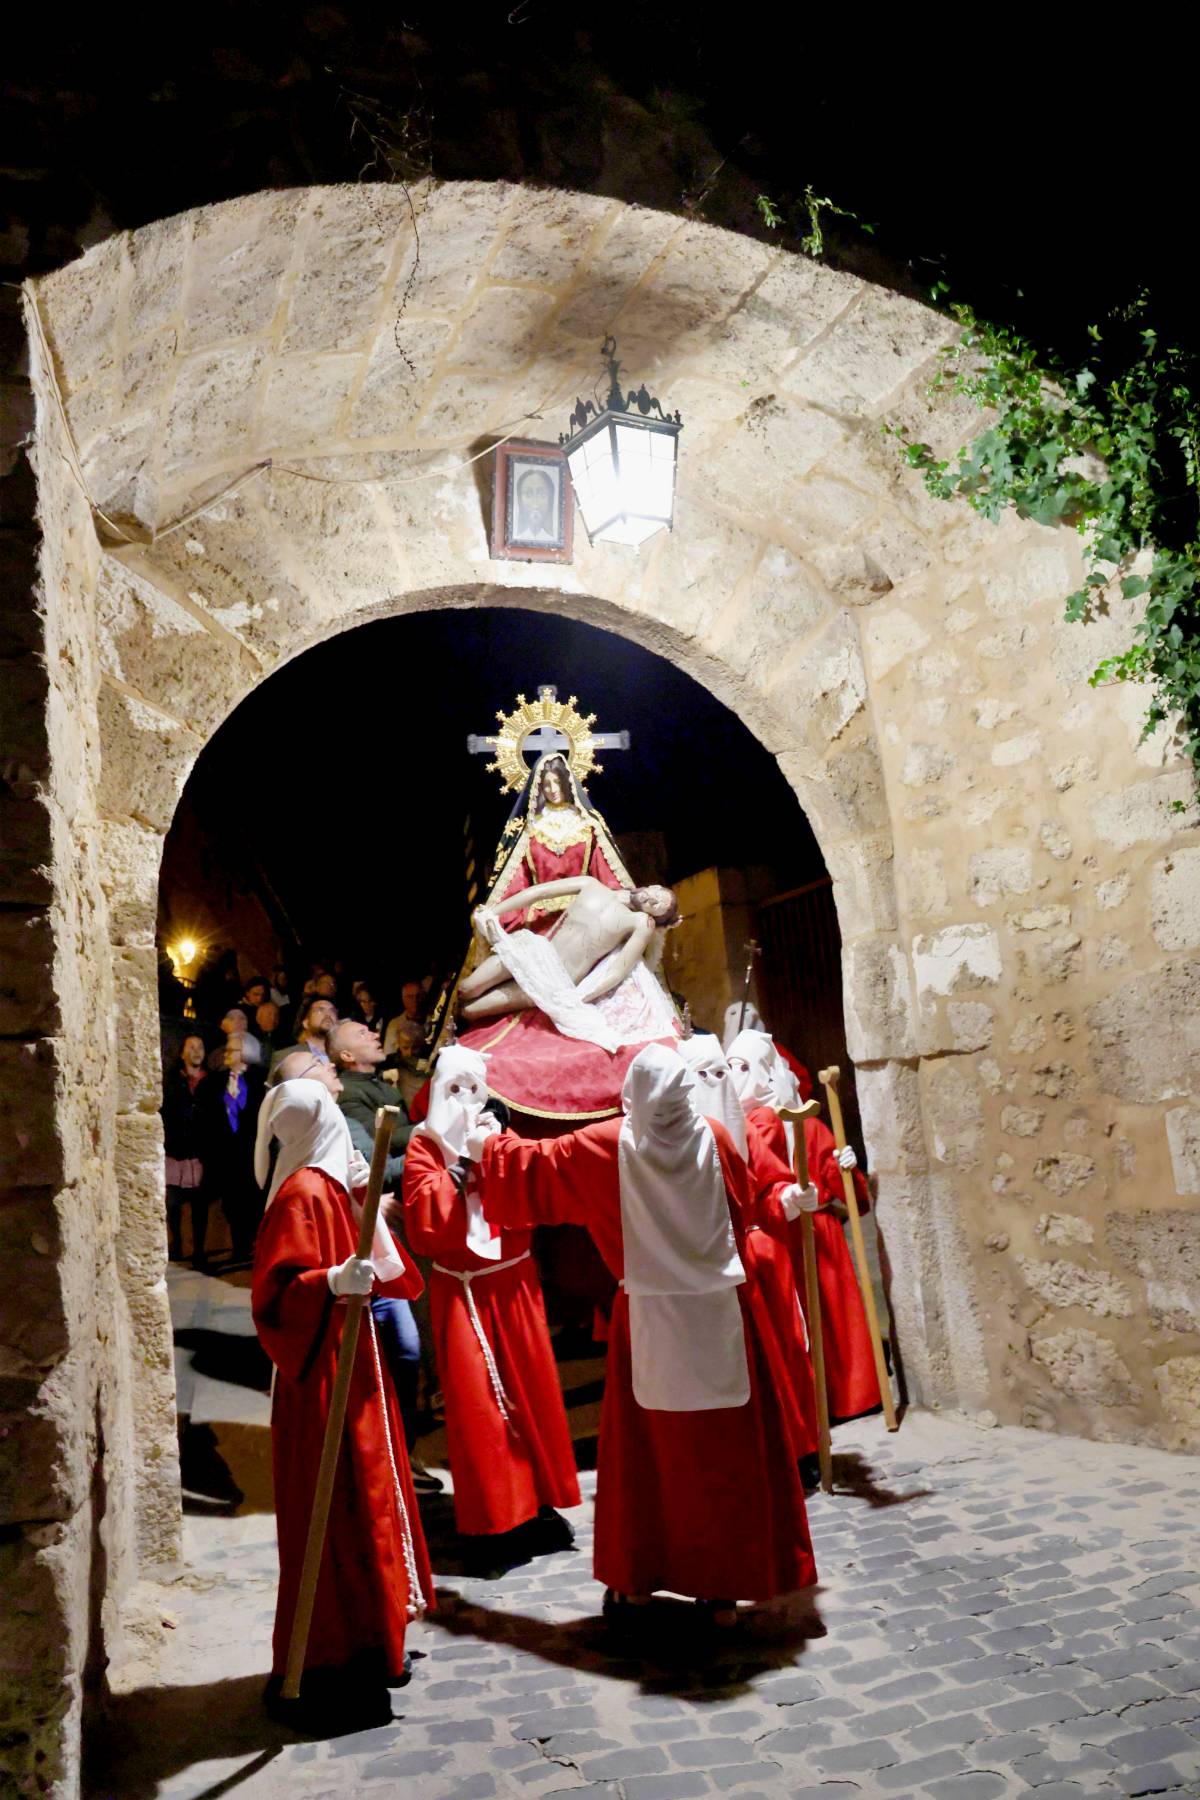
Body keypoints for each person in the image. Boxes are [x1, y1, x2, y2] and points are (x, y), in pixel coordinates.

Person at [471, 1043, 817, 1627]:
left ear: (632, 1097)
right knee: (727, 1457)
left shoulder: (608, 1146)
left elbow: (537, 1166)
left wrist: (486, 1143)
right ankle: (724, 1591)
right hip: (721, 1315)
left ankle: (637, 1583)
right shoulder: (716, 1136)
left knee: (650, 1464)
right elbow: (740, 1208)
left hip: (651, 1322)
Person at [251, 1075, 433, 1716]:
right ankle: (331, 1650)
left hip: (348, 1365)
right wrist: (328, 1280)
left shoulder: (327, 1186)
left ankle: (373, 1637)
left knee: (366, 1501)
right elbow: (275, 1297)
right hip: (320, 1377)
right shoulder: (301, 1194)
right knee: (338, 1510)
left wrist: (362, 1202)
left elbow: (379, 1263)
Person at [402, 1047, 580, 1573]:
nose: (463, 1100)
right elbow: (424, 1219)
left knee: (532, 1398)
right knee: (479, 1407)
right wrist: (460, 1166)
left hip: (514, 1287)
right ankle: (495, 1521)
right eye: (452, 1088)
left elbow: (533, 1190)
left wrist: (495, 1154)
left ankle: (537, 1506)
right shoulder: (423, 1147)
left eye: (472, 1089)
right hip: (463, 1292)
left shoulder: (499, 1138)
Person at [677, 1031, 822, 1482]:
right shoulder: (674, 1143)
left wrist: (792, 1196)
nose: (719, 1083)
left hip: (757, 1257)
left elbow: (769, 1186)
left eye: (724, 1072)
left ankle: (799, 1448)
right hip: (711, 1270)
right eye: (707, 1075)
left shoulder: (743, 1131)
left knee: (781, 1355)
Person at [726, 1029, 881, 1424]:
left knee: (829, 1319)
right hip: (779, 1235)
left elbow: (853, 1197)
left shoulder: (790, 1123)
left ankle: (843, 1398)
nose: (734, 1076)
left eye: (744, 1067)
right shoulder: (738, 1125)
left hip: (806, 1233)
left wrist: (845, 1169)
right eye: (729, 1067)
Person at [455, 876, 680, 1122]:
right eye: (658, 893)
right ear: (652, 885)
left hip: (553, 981)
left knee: (472, 1010)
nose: (653, 898)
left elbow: (619, 969)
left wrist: (582, 995)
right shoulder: (592, 884)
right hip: (533, 949)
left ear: (655, 918)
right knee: (466, 989)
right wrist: (491, 913)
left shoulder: (640, 922)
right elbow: (538, 892)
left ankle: (453, 1045)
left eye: (659, 905)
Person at [327, 1020, 427, 1464]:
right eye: (361, 1033)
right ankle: (393, 1449)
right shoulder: (350, 1096)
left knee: (408, 1346)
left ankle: (401, 1444)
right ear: (345, 1059)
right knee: (402, 1348)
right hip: (364, 1254)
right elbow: (374, 1160)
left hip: (387, 1229)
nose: (373, 1033)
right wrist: (431, 1138)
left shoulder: (370, 1083)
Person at [203, 1035, 267, 1262]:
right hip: (224, 1153)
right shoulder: (214, 1082)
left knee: (252, 1201)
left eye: (231, 1050)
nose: (226, 1053)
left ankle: (254, 1246)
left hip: (251, 1152)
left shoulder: (261, 1081)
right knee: (230, 1203)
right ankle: (239, 1247)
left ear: (246, 1051)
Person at [162, 1034, 212, 1269]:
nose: (196, 1051)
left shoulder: (211, 1082)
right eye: (191, 1046)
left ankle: (199, 1250)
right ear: (182, 1053)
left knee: (199, 1205)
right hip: (176, 1151)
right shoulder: (171, 1081)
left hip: (200, 1152)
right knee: (173, 1203)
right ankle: (177, 1243)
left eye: (200, 1046)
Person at [270, 996, 337, 1078]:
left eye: (332, 1011)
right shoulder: (285, 1056)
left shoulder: (345, 1055)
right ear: (306, 1022)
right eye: (320, 1010)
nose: (328, 1014)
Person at [207, 1005, 262, 1070]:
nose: (238, 1021)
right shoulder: (214, 1052)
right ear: (222, 1025)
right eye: (231, 1019)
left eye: (242, 1018)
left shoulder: (259, 1047)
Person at [254, 999, 282, 1067]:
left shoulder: (282, 1038)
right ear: (258, 1018)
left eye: (276, 1015)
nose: (273, 1018)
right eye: (269, 1014)